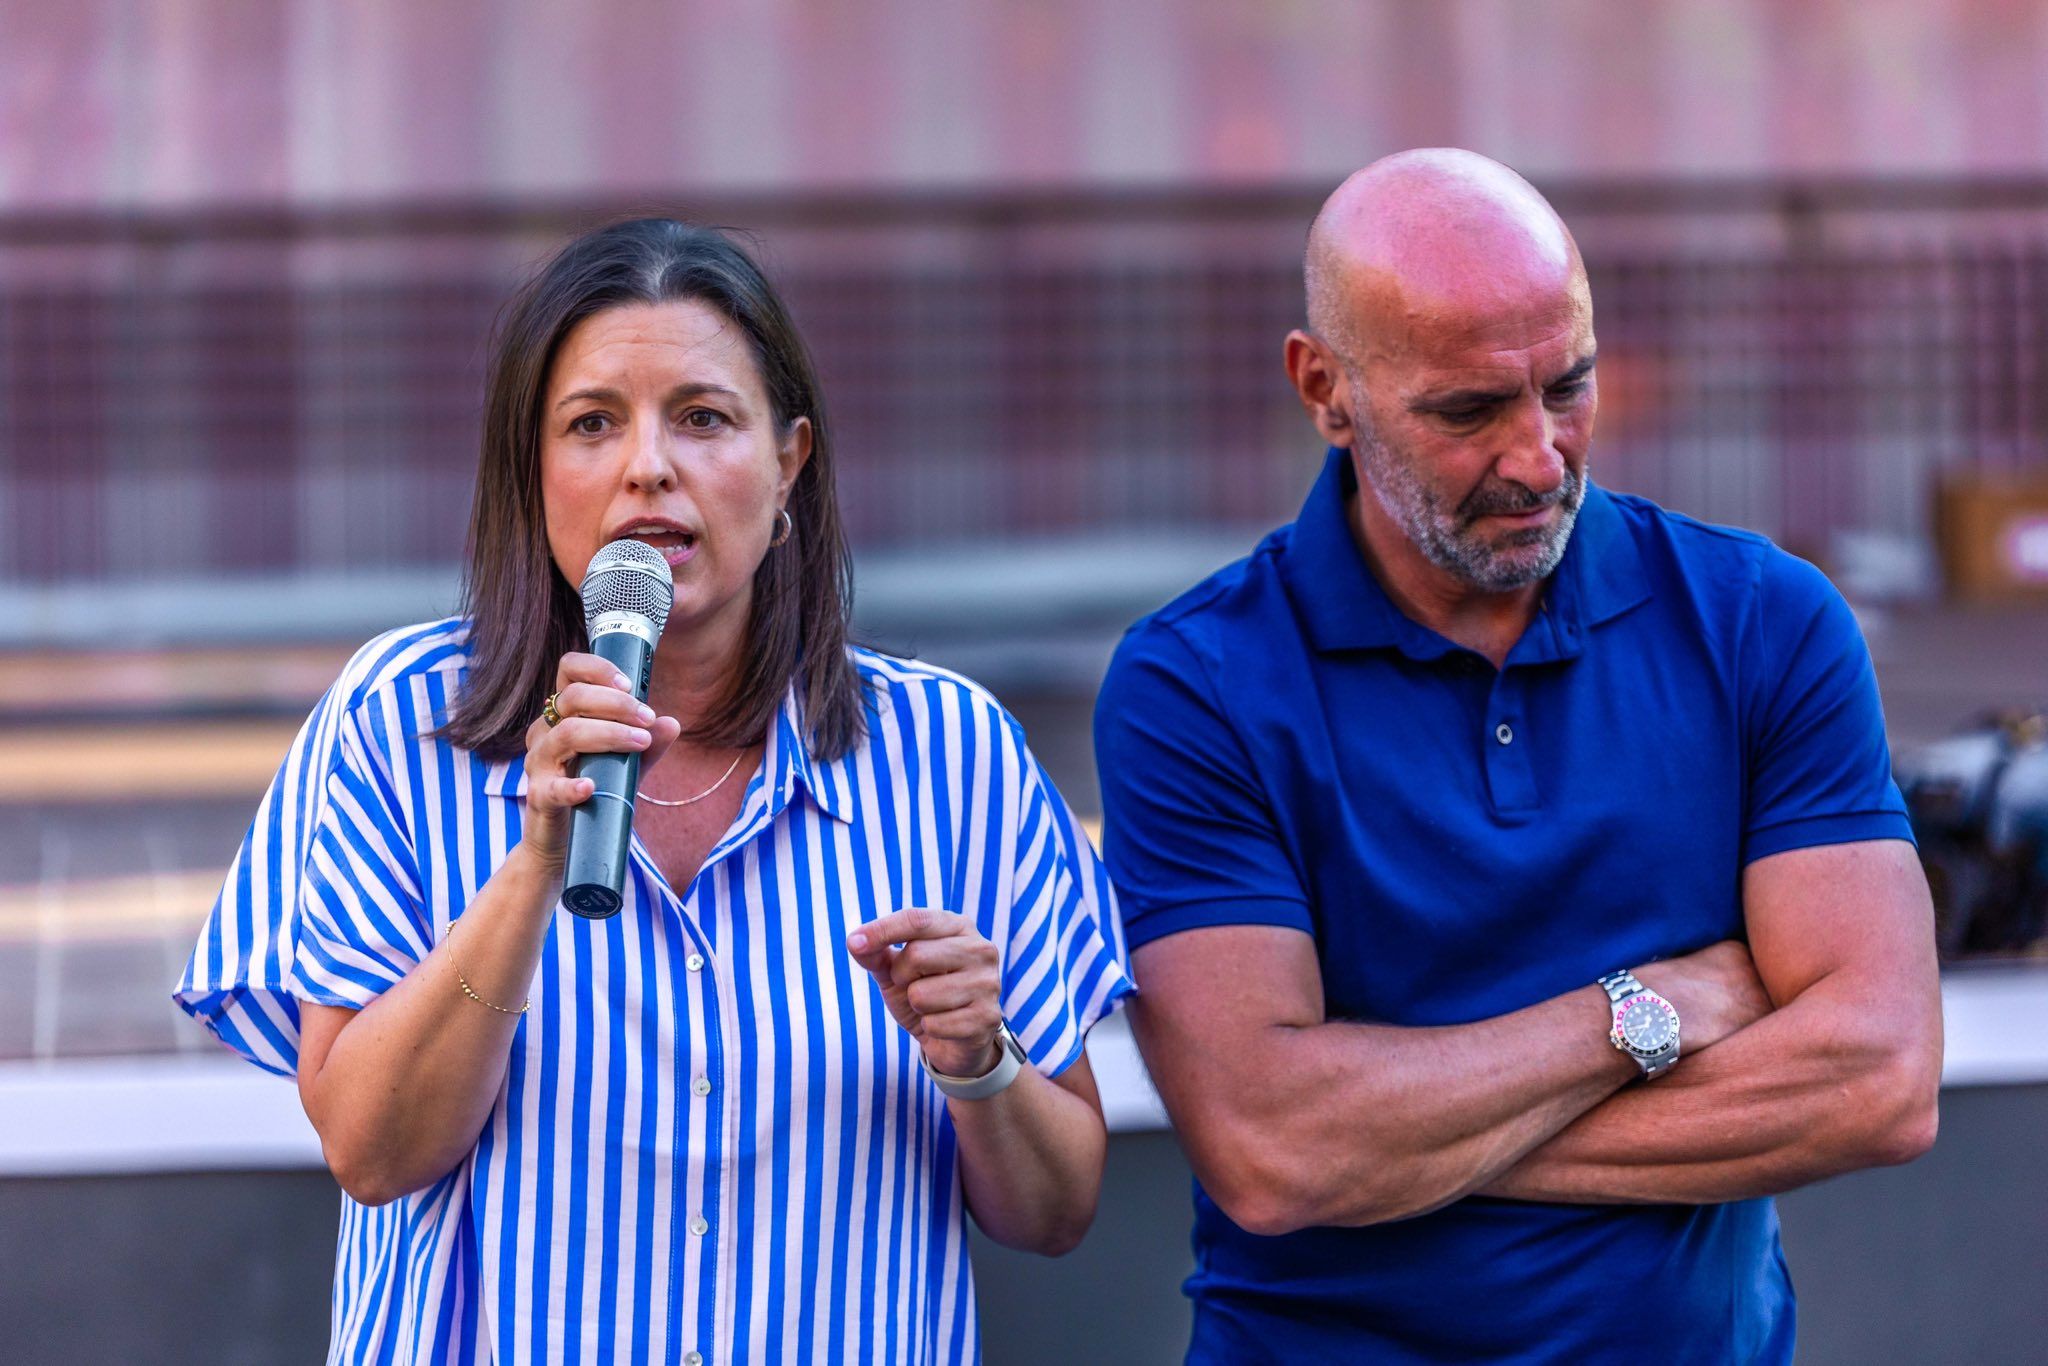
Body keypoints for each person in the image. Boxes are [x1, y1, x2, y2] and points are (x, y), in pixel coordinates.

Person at [176, 218, 1131, 1365]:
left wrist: (978, 1059)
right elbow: (372, 1154)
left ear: (790, 462)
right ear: (532, 477)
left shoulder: (950, 756)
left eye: (702, 417)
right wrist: (531, 868)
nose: (646, 466)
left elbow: (1057, 1208)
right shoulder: (399, 722)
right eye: (591, 423)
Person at [1093, 149, 1942, 1364]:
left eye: (1568, 385)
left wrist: (1408, 1147)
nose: (1539, 456)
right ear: (1323, 387)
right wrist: (1647, 1012)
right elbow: (1274, 1154)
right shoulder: (1195, 683)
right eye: (1466, 409)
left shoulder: (1763, 618)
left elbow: (1878, 1080)